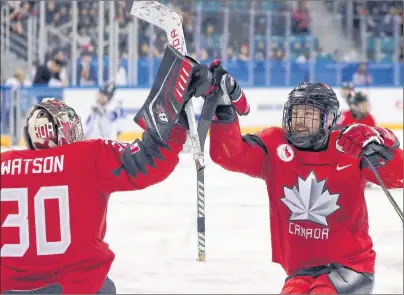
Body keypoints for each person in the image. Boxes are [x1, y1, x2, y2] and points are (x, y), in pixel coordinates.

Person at [0, 45, 212, 294]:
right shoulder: (86, 156)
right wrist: (174, 115)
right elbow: (150, 162)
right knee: (104, 286)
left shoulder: (4, 163)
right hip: (75, 287)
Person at [205, 60, 403, 294]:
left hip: (350, 268)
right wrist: (223, 110)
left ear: (328, 119)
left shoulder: (347, 146)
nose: (300, 120)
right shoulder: (274, 145)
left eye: (309, 113)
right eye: (297, 112)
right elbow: (228, 155)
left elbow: (399, 176)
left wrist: (381, 139)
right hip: (300, 272)